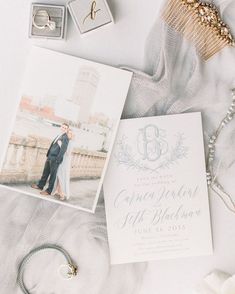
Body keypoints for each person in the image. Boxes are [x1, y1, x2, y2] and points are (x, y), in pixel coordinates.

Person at [31, 123, 69, 196]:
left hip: (55, 159)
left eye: (65, 128)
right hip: (50, 157)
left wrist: (57, 160)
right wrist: (48, 154)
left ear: (67, 130)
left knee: (52, 176)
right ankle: (40, 186)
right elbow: (53, 145)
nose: (63, 128)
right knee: (45, 173)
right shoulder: (59, 135)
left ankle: (49, 191)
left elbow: (63, 150)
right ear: (60, 127)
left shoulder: (65, 138)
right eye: (62, 127)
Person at [52, 129, 74, 201]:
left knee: (61, 176)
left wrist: (60, 144)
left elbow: (68, 153)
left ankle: (62, 193)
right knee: (58, 175)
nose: (69, 135)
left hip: (65, 162)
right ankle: (58, 190)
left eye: (71, 134)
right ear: (66, 134)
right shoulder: (66, 140)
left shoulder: (71, 142)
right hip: (62, 160)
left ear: (72, 135)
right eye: (68, 133)